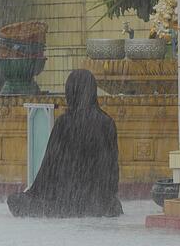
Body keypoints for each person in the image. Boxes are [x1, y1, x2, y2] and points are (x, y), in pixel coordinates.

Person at [7, 69, 123, 218]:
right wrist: (107, 196)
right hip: (98, 201)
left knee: (17, 201)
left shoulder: (64, 122)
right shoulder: (107, 123)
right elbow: (112, 167)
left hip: (66, 198)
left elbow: (50, 166)